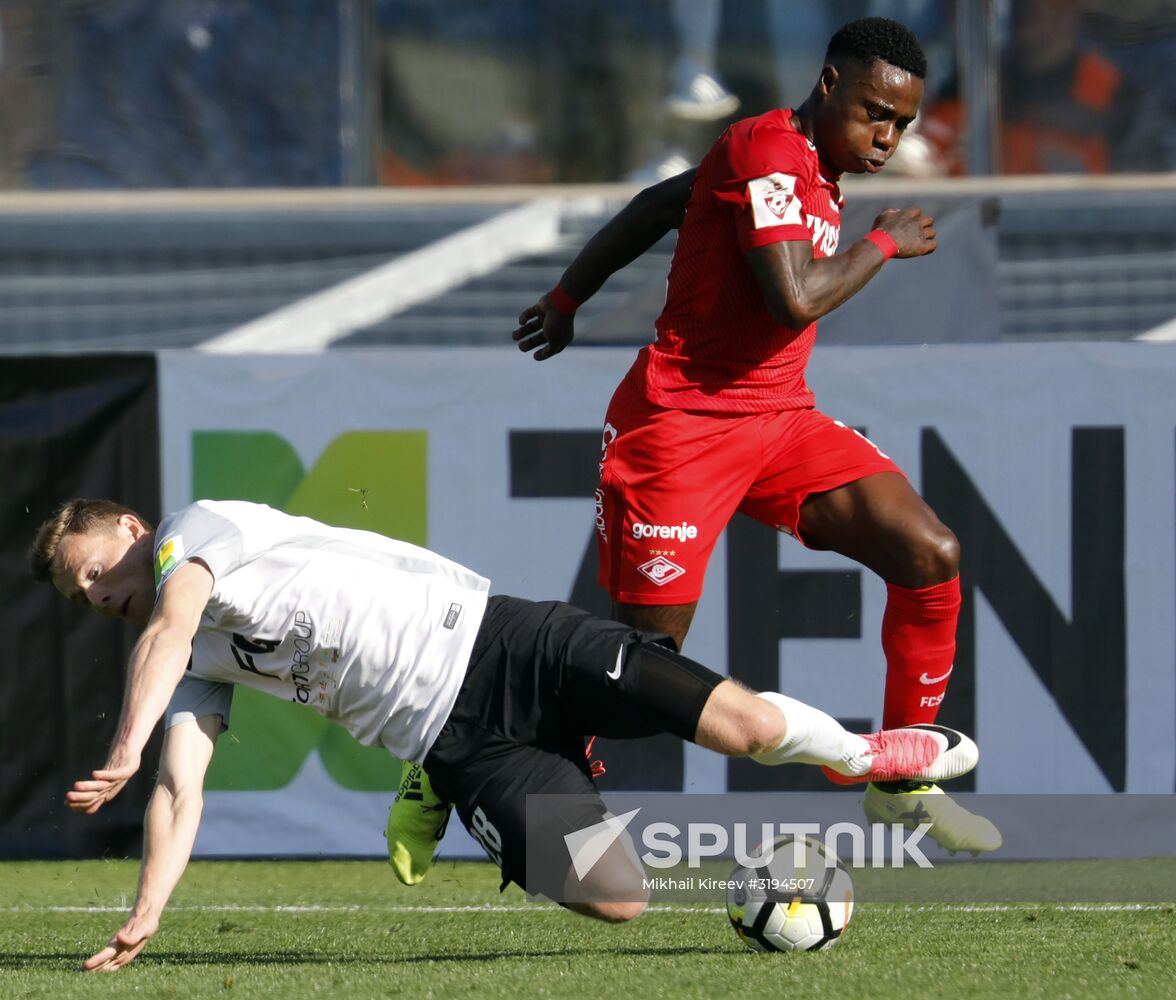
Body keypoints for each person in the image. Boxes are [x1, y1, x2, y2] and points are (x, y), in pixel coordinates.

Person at [31, 497, 978, 971]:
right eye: (79, 595)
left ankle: (868, 755)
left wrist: (119, 744)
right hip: (460, 742)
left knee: (748, 725)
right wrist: (151, 903)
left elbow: (165, 622)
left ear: (128, 528)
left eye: (91, 570)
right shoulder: (189, 662)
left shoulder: (193, 538)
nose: (93, 595)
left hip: (508, 643)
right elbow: (177, 787)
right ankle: (435, 786)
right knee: (619, 901)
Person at [511, 17, 1001, 856]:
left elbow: (657, 207)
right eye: (875, 112)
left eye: (903, 124)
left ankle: (898, 782)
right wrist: (884, 241)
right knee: (644, 677)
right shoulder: (767, 152)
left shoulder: (811, 163)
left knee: (931, 554)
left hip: (777, 417)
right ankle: (476, 749)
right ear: (827, 85)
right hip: (680, 427)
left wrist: (566, 298)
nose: (886, 137)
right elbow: (794, 299)